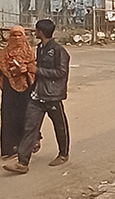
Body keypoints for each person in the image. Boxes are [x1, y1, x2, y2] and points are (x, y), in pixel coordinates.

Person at [4, 20, 70, 174]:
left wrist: (37, 70)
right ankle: (23, 162)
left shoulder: (58, 51)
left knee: (60, 126)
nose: (34, 32)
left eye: (36, 30)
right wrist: (28, 69)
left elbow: (61, 73)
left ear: (41, 32)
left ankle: (63, 154)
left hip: (52, 95)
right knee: (30, 127)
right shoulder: (40, 48)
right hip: (38, 94)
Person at [0, 27, 38, 160]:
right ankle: (9, 148)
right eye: (14, 36)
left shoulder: (29, 52)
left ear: (24, 37)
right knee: (9, 116)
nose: (16, 38)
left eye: (19, 35)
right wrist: (10, 70)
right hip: (9, 88)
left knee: (26, 115)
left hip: (26, 87)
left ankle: (28, 144)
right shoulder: (3, 53)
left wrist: (25, 69)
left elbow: (34, 69)